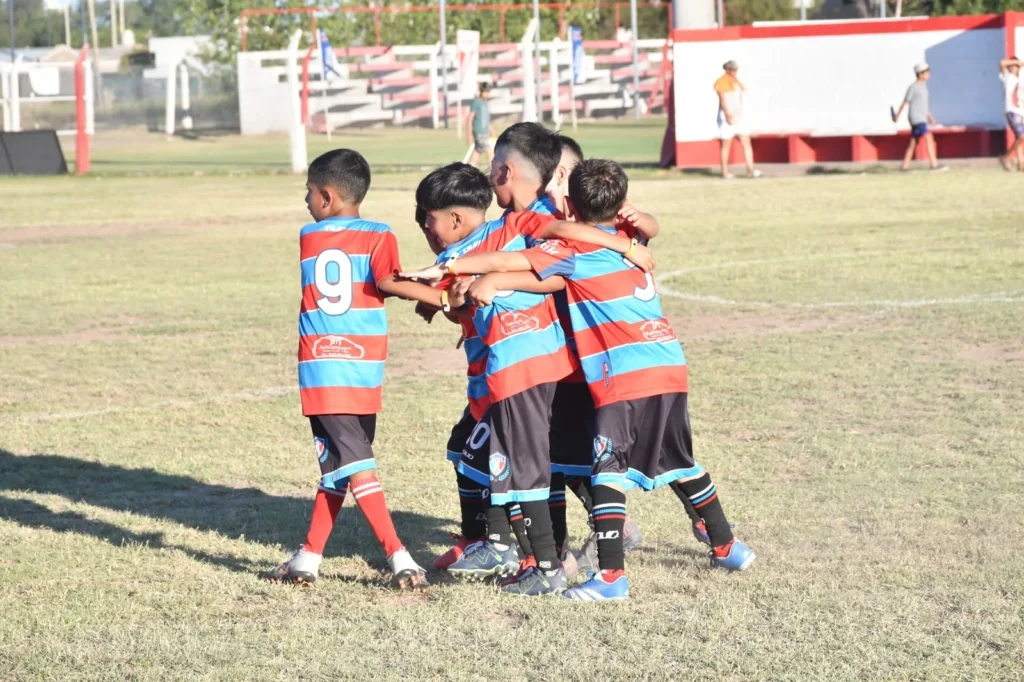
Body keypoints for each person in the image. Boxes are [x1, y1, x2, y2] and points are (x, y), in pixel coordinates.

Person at [434, 159, 756, 601]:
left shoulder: (572, 249)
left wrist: (459, 265)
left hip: (620, 374)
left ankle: (611, 578)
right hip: (666, 362)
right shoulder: (628, 238)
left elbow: (528, 255)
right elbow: (637, 227)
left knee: (607, 473)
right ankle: (727, 545)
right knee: (678, 460)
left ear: (568, 200)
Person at [269, 149, 450, 589]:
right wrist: (441, 296)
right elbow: (386, 281)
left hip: (322, 367)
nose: (306, 201)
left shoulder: (309, 237)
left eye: (309, 192)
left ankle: (308, 559)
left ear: (327, 197)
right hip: (361, 366)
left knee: (341, 465)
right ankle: (400, 556)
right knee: (355, 464)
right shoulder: (379, 234)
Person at [891, 62, 948, 172]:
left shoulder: (923, 88)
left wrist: (930, 117)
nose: (928, 74)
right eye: (926, 72)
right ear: (920, 74)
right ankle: (934, 165)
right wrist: (897, 116)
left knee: (913, 142)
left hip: (922, 117)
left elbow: (923, 106)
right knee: (928, 137)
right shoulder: (914, 87)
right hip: (916, 118)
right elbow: (905, 102)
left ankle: (904, 166)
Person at [714, 60, 760, 179]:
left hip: (738, 115)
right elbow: (723, 100)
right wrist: (728, 115)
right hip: (727, 116)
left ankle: (751, 170)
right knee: (726, 144)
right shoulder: (721, 82)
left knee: (746, 142)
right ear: (727, 70)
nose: (734, 72)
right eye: (732, 70)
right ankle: (725, 172)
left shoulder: (736, 82)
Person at [999, 56, 1024, 171]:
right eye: (1013, 66)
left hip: (1019, 111)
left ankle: (1021, 164)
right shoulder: (1006, 76)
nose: (1016, 68)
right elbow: (1002, 63)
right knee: (1022, 137)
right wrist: (1017, 62)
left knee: (1018, 138)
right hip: (1011, 110)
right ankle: (1006, 157)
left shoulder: (1018, 79)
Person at [466, 83, 496, 169]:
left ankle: (470, 170)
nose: (487, 94)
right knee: (490, 151)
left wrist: (490, 129)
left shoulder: (485, 103)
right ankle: (493, 171)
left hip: (485, 131)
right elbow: (470, 118)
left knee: (477, 152)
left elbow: (485, 119)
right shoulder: (476, 102)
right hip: (479, 131)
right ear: (480, 91)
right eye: (485, 92)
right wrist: (469, 133)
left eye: (488, 92)